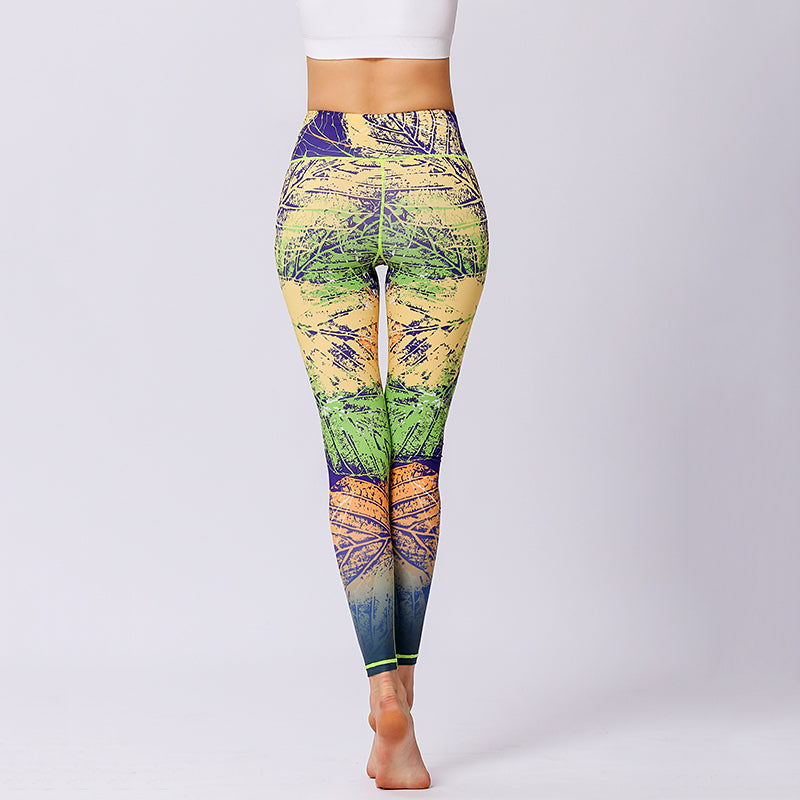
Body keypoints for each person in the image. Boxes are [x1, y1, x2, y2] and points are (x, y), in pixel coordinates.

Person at [273, 0, 489, 789]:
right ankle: (403, 704)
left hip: (323, 180)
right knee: (416, 462)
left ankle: (383, 690)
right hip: (435, 176)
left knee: (355, 461)